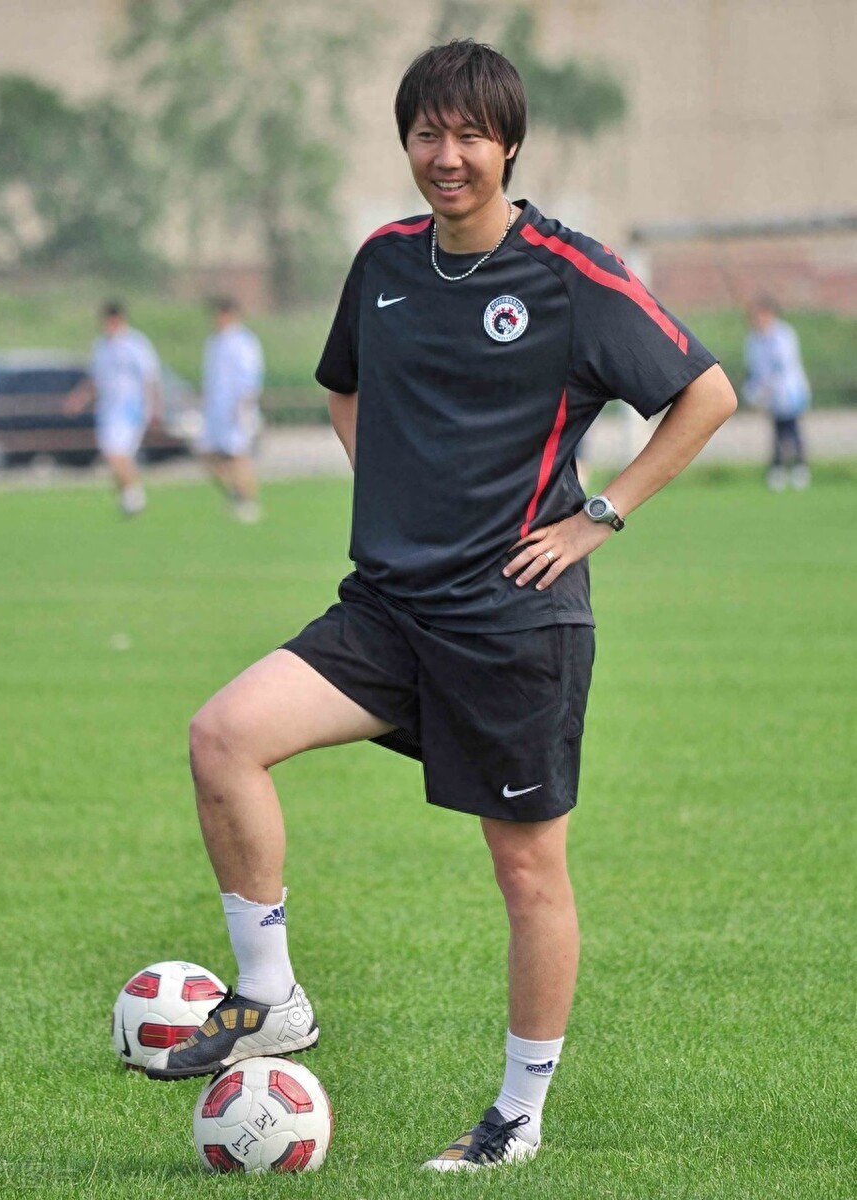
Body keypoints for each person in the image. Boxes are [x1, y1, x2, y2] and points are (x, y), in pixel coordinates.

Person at [145, 40, 738, 1171]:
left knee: (526, 873)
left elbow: (704, 394)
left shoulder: (568, 274)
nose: (447, 156)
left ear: (508, 145)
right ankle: (270, 997)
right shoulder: (382, 260)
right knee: (222, 736)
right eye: (428, 134)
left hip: (513, 624)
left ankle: (517, 1115)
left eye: (470, 135)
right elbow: (341, 385)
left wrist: (596, 517)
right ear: (406, 143)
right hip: (383, 609)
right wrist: (396, 490)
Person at [65, 301, 161, 515]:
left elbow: (150, 377)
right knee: (115, 455)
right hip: (108, 409)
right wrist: (79, 398)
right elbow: (95, 379)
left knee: (116, 453)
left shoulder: (135, 344)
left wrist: (154, 407)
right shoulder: (101, 346)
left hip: (131, 407)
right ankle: (129, 495)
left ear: (120, 320)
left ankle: (134, 496)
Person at [200, 296, 265, 522]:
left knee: (239, 455)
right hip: (215, 410)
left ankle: (249, 503)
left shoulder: (244, 342)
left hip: (237, 408)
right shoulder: (214, 342)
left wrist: (243, 406)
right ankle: (237, 495)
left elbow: (250, 377)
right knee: (208, 456)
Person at [743, 296, 811, 490]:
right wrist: (754, 389)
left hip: (789, 391)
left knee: (792, 429)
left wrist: (766, 386)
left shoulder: (783, 335)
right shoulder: (753, 339)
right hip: (770, 395)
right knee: (777, 430)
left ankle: (800, 468)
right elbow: (754, 368)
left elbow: (782, 365)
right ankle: (777, 468)